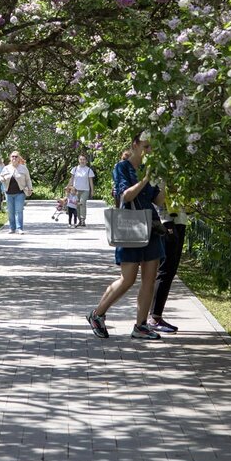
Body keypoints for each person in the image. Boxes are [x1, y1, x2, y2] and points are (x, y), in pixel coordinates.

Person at [86, 132, 164, 341]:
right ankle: (97, 314)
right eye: (146, 147)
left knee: (149, 279)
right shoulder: (122, 168)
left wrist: (165, 182)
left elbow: (159, 200)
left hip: (151, 226)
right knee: (128, 279)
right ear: (135, 145)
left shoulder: (150, 168)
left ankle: (140, 325)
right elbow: (125, 195)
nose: (149, 151)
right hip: (130, 226)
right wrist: (146, 178)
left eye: (152, 148)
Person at [148, 192, 188, 333]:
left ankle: (156, 316)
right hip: (166, 220)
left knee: (171, 270)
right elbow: (157, 197)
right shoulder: (161, 171)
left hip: (180, 219)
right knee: (166, 269)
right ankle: (154, 318)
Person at [0, 149, 33, 234]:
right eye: (12, 156)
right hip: (8, 193)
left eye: (16, 156)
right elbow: (0, 177)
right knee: (10, 211)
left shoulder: (23, 168)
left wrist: (30, 189)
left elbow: (28, 179)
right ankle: (12, 228)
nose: (14, 158)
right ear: (10, 158)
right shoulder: (6, 168)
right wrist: (2, 178)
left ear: (19, 158)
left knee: (18, 210)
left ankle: (19, 228)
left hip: (20, 192)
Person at [69, 153, 95, 226]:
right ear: (78, 160)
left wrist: (92, 191)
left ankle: (83, 219)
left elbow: (91, 181)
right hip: (75, 191)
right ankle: (79, 220)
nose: (82, 161)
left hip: (85, 190)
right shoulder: (75, 169)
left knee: (82, 203)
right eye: (81, 159)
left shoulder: (89, 170)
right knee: (76, 205)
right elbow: (71, 179)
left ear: (86, 161)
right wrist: (68, 187)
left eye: (84, 159)